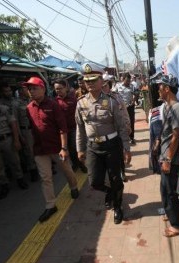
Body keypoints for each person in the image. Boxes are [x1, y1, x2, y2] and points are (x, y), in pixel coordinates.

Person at [76, 63, 131, 224]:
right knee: (94, 182)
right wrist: (80, 149)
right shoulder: (80, 103)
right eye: (87, 80)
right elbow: (80, 128)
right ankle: (111, 193)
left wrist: (126, 149)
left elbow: (122, 127)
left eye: (93, 80)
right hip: (93, 147)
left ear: (102, 81)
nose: (90, 83)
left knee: (116, 179)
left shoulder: (112, 101)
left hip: (112, 145)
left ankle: (118, 207)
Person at [24, 77, 80, 223]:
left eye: (34, 88)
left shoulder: (53, 105)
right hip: (40, 150)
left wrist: (64, 148)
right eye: (29, 89)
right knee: (45, 178)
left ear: (43, 89)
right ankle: (51, 205)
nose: (31, 91)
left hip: (57, 148)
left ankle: (73, 186)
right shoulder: (28, 108)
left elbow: (63, 128)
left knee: (67, 170)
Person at [156, 74, 179, 237]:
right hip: (165, 154)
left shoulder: (176, 107)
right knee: (164, 188)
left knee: (170, 191)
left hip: (170, 157)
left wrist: (167, 159)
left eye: (160, 87)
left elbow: (176, 135)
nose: (158, 91)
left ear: (167, 89)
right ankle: (171, 215)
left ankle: (178, 225)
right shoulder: (168, 105)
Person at [53, 78, 87, 173]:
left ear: (66, 88)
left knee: (76, 148)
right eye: (56, 89)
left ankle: (81, 164)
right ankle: (75, 164)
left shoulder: (73, 100)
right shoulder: (54, 102)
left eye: (60, 88)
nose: (58, 91)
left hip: (73, 129)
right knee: (68, 149)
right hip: (62, 131)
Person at [16, 83, 39, 182]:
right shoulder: (16, 104)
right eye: (27, 89)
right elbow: (15, 121)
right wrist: (20, 136)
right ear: (21, 91)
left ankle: (46, 167)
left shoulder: (35, 100)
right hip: (26, 130)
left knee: (40, 148)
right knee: (29, 152)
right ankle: (33, 171)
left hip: (37, 129)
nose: (30, 91)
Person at [114, 74, 137, 145]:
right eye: (127, 80)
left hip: (130, 107)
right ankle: (123, 137)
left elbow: (135, 94)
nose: (128, 82)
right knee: (121, 123)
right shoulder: (118, 86)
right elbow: (113, 95)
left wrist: (133, 100)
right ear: (123, 79)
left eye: (129, 80)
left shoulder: (131, 86)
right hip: (121, 108)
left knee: (131, 122)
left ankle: (131, 137)